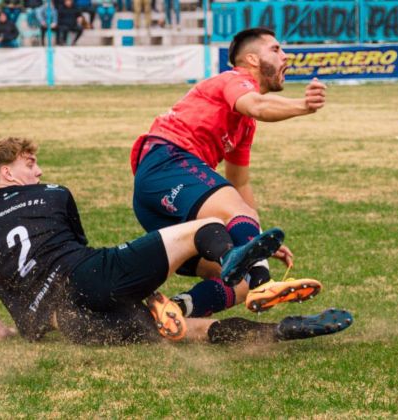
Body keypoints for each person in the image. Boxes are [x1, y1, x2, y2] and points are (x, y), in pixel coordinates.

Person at [0, 137, 353, 345]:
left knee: (183, 330)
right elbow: (77, 251)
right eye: (29, 163)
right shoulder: (55, 192)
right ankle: (237, 261)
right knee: (205, 225)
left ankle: (274, 333)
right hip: (88, 278)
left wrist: (2, 332)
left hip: (68, 324)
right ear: (7, 173)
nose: (38, 169)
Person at [130, 27, 327, 318]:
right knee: (246, 256)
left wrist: (259, 240)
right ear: (252, 59)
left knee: (239, 281)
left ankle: (173, 311)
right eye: (275, 49)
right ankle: (264, 283)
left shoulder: (244, 124)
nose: (285, 56)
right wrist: (303, 106)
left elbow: (240, 182)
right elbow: (257, 105)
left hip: (160, 203)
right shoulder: (234, 79)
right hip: (167, 162)